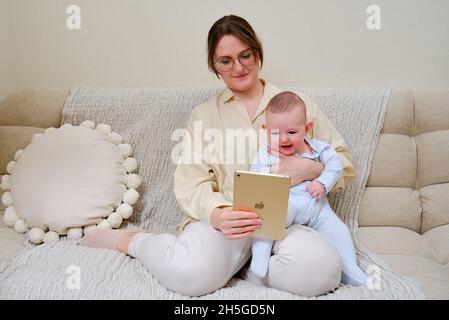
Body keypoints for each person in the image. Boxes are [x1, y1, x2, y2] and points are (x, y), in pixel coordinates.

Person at [80, 14, 357, 297]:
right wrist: (218, 214)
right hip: (231, 224)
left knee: (322, 273)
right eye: (226, 61)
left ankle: (241, 268)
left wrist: (311, 169)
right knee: (187, 275)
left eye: (245, 55)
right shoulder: (203, 115)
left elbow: (342, 160)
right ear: (215, 65)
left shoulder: (296, 103)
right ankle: (134, 241)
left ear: (257, 51)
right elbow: (191, 182)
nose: (238, 67)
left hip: (291, 221)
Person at [249, 91, 368, 286]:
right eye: (276, 133)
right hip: (284, 206)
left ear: (307, 128)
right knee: (267, 218)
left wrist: (322, 183)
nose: (284, 139)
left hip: (316, 207)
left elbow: (336, 167)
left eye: (292, 132)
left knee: (340, 231)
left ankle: (350, 270)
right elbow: (257, 182)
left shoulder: (320, 149)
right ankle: (260, 254)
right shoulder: (264, 154)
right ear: (266, 130)